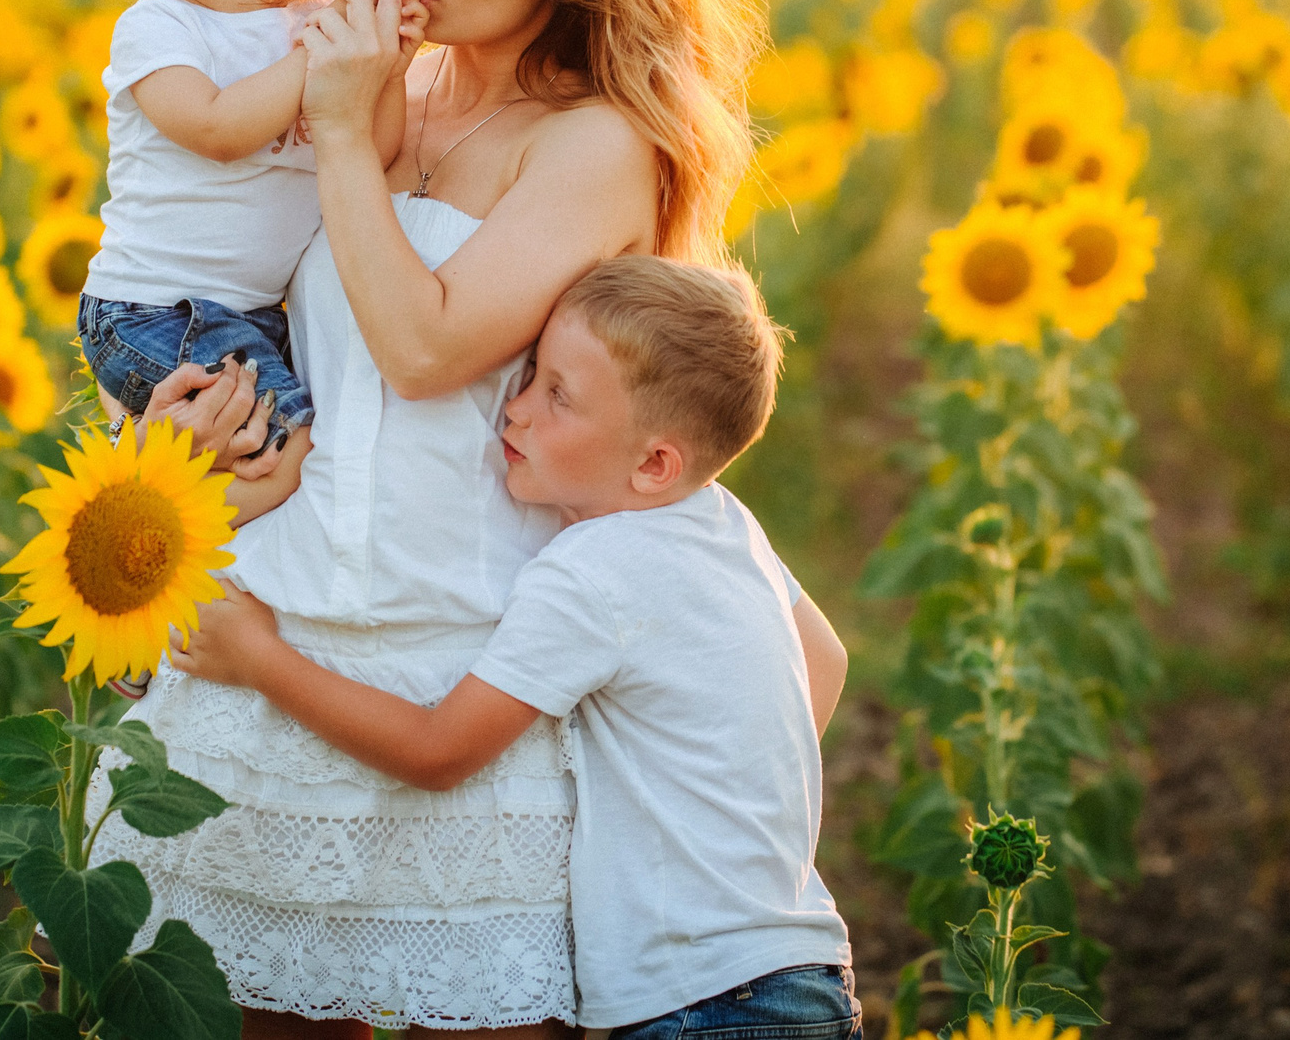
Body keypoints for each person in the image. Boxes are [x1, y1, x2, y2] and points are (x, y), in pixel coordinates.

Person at [102, 0, 767, 1037]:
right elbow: (240, 294)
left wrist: (341, 129)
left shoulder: (597, 141)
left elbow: (422, 348)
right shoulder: (395, 79)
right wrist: (178, 417)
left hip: (462, 659)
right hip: (271, 621)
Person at [174, 256, 860, 1040]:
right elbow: (826, 660)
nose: (518, 407)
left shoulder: (590, 571)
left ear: (653, 463)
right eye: (530, 374)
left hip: (701, 999)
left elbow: (438, 751)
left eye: (559, 395)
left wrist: (258, 658)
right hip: (802, 964)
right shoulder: (725, 520)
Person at [73, 0, 412, 523]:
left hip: (247, 313)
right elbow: (218, 130)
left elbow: (373, 150)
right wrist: (319, 56)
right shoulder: (159, 28)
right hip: (151, 308)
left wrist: (388, 64)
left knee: (283, 443)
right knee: (292, 448)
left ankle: (157, 500)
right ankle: (138, 522)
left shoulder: (314, 21)